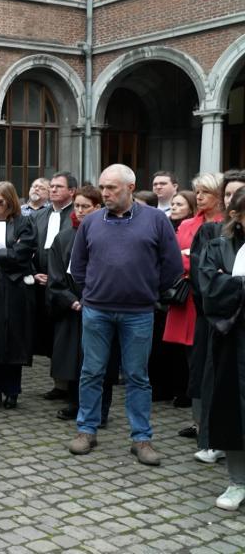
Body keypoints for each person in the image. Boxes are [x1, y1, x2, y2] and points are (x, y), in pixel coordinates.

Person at [67, 164, 182, 465]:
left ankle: (141, 438)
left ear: (130, 188)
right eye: (103, 187)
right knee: (91, 371)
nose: (105, 193)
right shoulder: (92, 223)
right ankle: (86, 430)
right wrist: (93, 291)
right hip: (97, 310)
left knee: (137, 376)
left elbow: (171, 266)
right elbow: (78, 267)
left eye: (112, 188)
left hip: (139, 313)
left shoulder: (156, 220)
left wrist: (145, 291)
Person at [48, 186, 119, 424]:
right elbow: (56, 275)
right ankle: (75, 403)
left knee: (102, 361)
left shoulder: (109, 234)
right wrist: (71, 300)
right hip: (73, 306)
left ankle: (102, 409)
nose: (79, 211)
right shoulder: (64, 237)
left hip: (101, 304)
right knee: (75, 359)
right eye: (77, 206)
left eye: (85, 207)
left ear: (97, 208)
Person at [168, 173, 224, 463]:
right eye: (197, 192)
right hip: (188, 297)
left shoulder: (225, 225)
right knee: (194, 360)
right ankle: (199, 423)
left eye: (206, 192)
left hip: (213, 300)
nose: (199, 197)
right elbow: (176, 257)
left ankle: (214, 427)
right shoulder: (189, 224)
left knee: (212, 362)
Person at [197, 187, 245, 511]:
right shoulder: (218, 246)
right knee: (234, 413)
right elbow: (210, 291)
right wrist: (235, 283)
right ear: (236, 216)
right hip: (234, 344)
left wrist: (234, 281)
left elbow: (224, 282)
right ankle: (238, 481)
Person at [0, 182, 36, 410]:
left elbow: (23, 252)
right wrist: (5, 254)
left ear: (11, 202)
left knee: (13, 339)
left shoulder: (24, 223)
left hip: (15, 288)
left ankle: (12, 391)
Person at [33, 172, 77, 398]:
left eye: (59, 187)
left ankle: (69, 384)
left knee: (64, 337)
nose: (53, 190)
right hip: (41, 281)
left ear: (71, 191)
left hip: (65, 284)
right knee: (48, 334)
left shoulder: (75, 214)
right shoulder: (41, 215)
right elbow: (30, 245)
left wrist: (57, 277)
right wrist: (34, 273)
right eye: (52, 186)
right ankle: (58, 383)